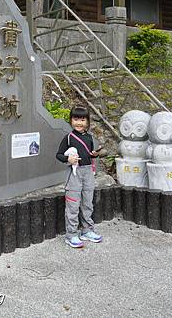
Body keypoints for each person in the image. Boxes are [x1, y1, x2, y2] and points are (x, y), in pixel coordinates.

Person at [56, 106, 103, 248]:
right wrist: (68, 159)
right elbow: (58, 155)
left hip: (88, 172)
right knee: (73, 204)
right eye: (76, 119)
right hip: (74, 174)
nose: (79, 123)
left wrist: (93, 154)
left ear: (87, 122)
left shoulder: (89, 137)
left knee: (87, 203)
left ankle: (87, 230)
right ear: (71, 120)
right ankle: (71, 235)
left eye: (82, 120)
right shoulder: (68, 138)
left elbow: (87, 153)